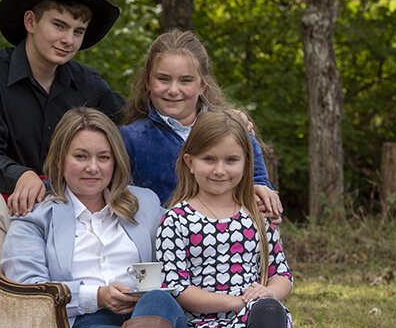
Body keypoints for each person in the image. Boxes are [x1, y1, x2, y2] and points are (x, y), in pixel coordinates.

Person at [1, 107, 226, 328]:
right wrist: (96, 296)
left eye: (103, 157)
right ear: (60, 160)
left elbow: (185, 246)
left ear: (116, 161)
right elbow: (26, 288)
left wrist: (254, 192)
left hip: (155, 314)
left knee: (158, 300)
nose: (93, 167)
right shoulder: (36, 215)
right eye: (81, 156)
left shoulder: (146, 203)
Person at [155, 110, 305, 328]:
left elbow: (282, 276)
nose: (220, 169)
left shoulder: (256, 214)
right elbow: (177, 289)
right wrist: (238, 302)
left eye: (231, 160)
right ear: (190, 162)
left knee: (270, 308)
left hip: (257, 327)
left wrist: (265, 293)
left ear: (246, 163)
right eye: (209, 159)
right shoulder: (177, 218)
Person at [0, 0, 124, 227]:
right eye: (59, 25)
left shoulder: (89, 85)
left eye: (78, 31)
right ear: (31, 22)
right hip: (11, 207)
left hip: (74, 210)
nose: (68, 40)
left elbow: (130, 128)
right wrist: (21, 174)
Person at [120, 29, 282, 219]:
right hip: (162, 244)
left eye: (185, 80)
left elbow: (259, 187)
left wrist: (265, 203)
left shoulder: (232, 129)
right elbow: (117, 200)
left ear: (202, 85)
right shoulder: (131, 137)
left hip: (230, 242)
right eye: (163, 79)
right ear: (147, 81)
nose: (173, 90)